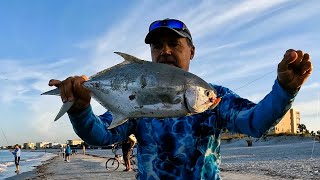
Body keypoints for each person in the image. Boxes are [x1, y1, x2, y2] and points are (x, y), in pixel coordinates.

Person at [48, 18, 313, 179]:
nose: (164, 51)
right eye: (156, 45)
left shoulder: (213, 97)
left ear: (192, 51)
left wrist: (284, 90)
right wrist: (80, 109)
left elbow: (254, 122)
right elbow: (102, 136)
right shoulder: (137, 98)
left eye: (174, 44)